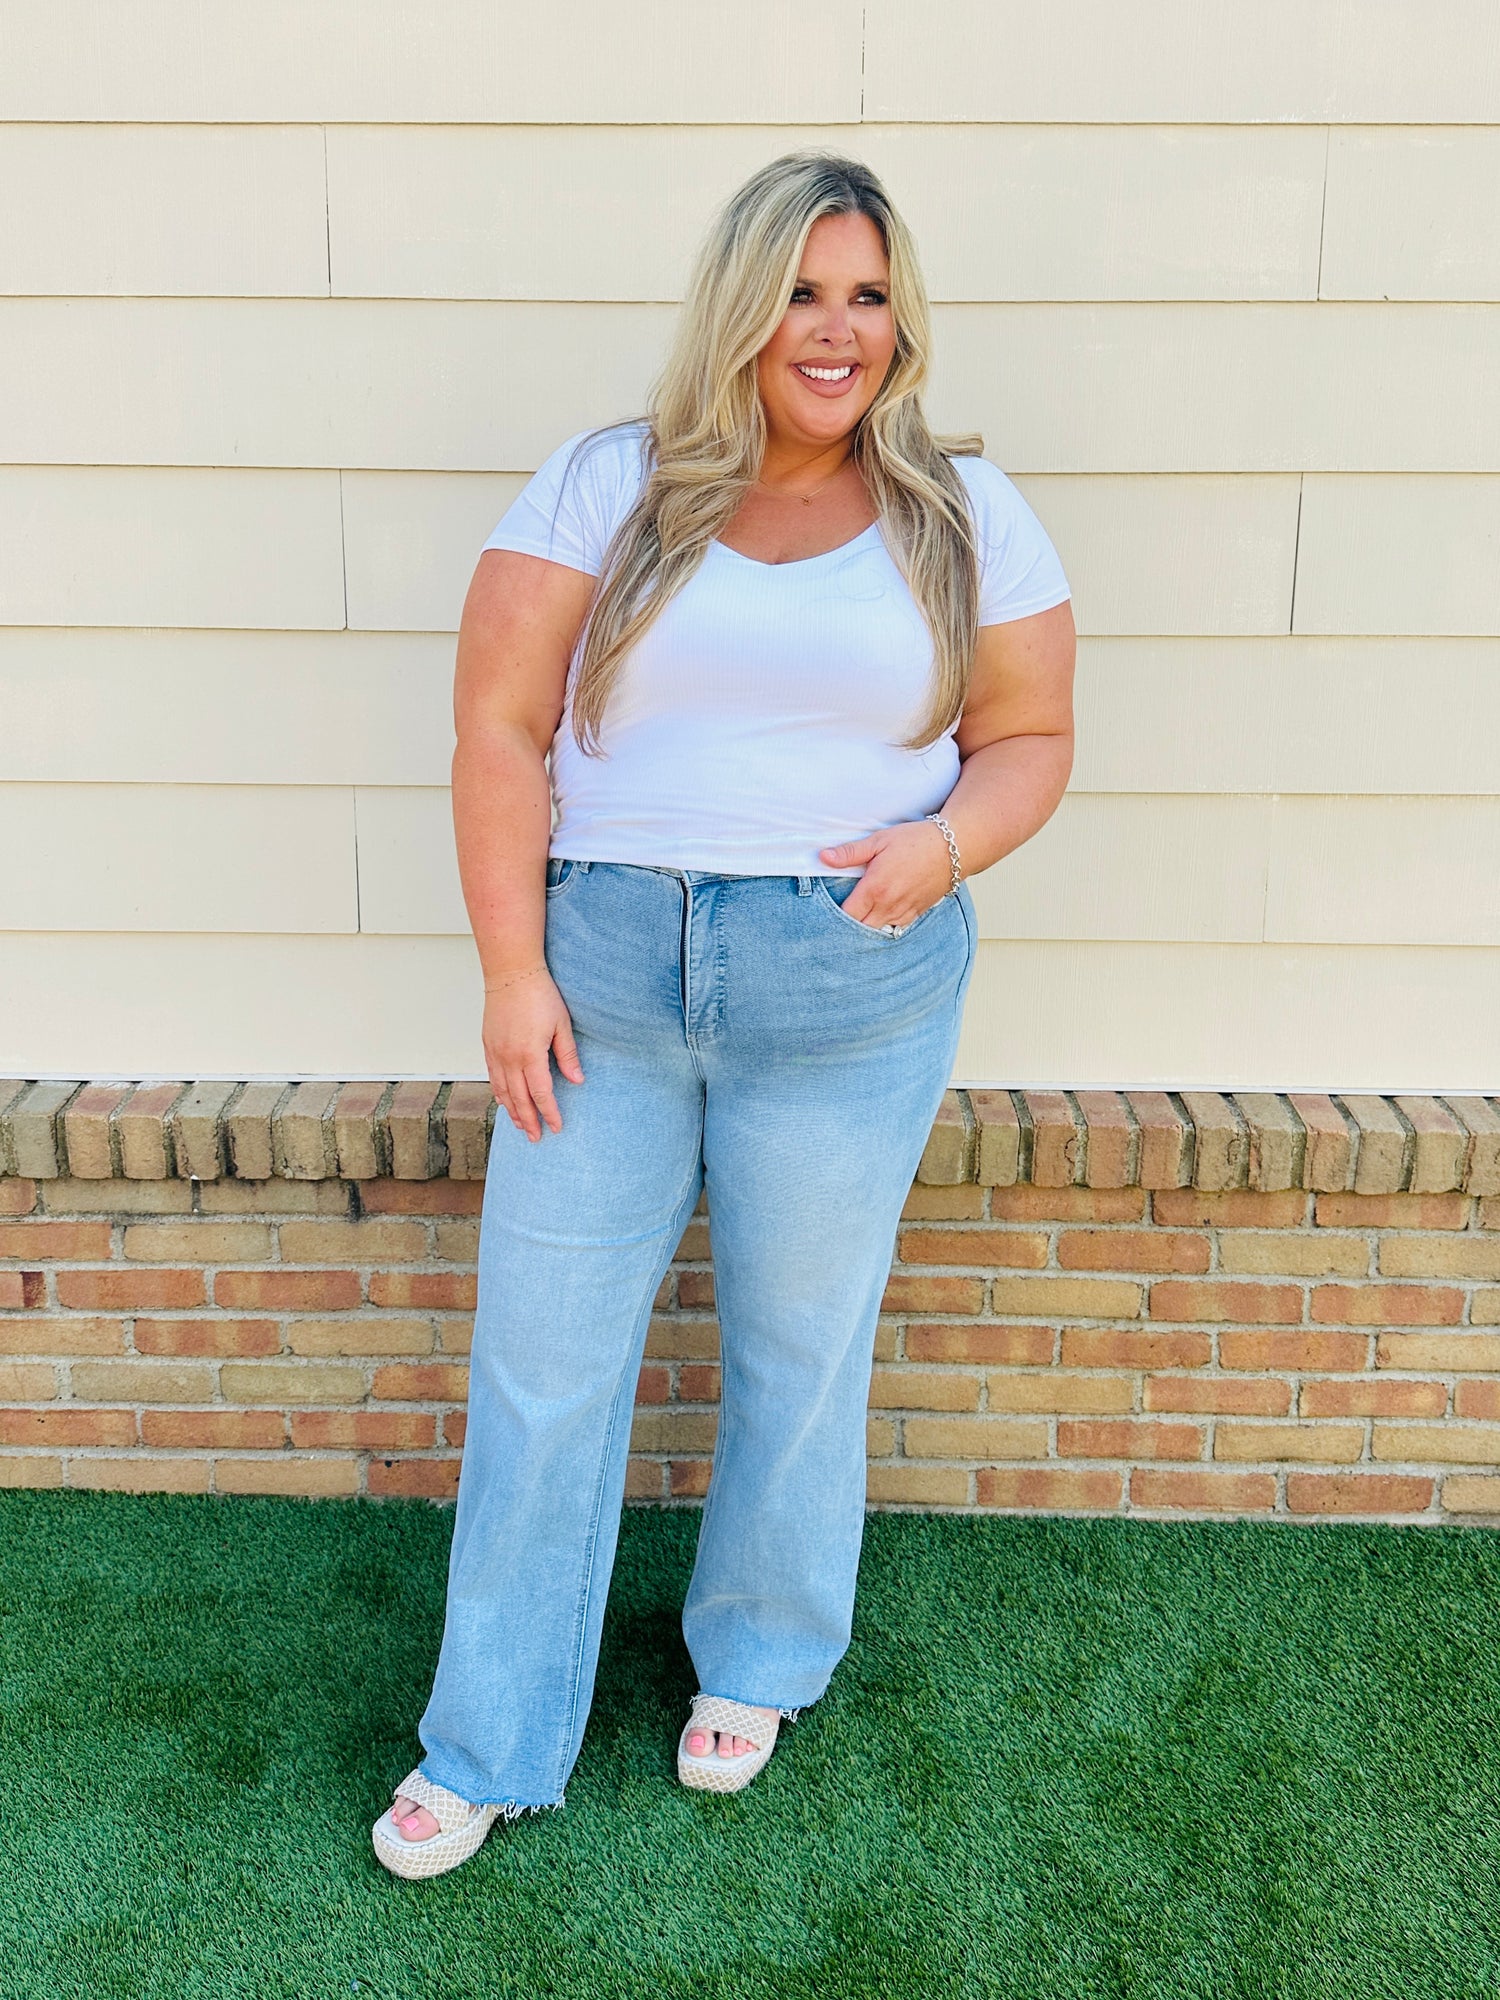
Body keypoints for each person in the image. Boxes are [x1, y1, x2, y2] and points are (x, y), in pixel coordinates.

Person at [372, 149, 1076, 1880]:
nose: (837, 331)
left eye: (868, 295)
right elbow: (497, 729)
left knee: (797, 1345)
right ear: (740, 309)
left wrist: (941, 847)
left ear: (901, 318)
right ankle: (487, 1740)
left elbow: (1031, 737)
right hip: (603, 983)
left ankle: (757, 1660)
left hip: (847, 987)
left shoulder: (967, 513)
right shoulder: (605, 485)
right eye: (802, 293)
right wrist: (511, 968)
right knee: (542, 1368)